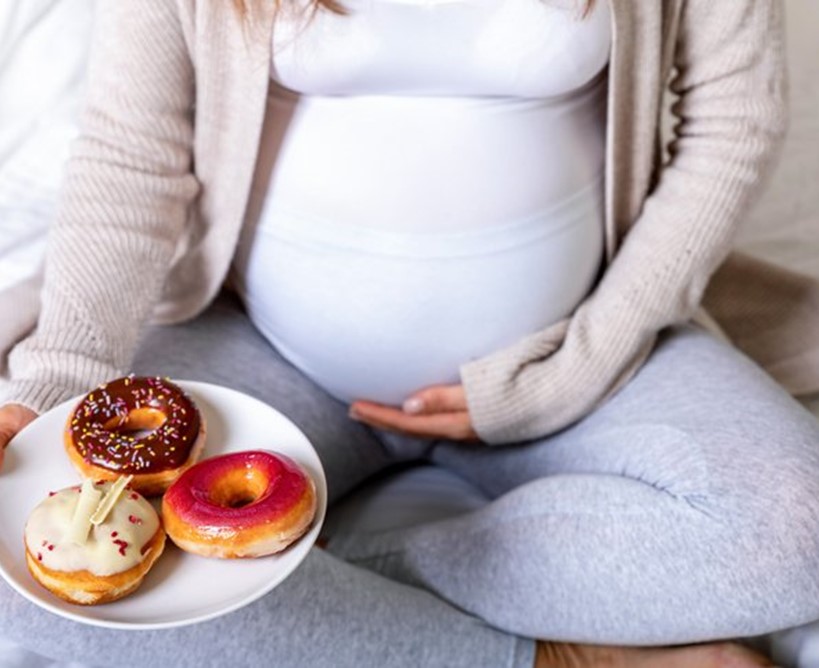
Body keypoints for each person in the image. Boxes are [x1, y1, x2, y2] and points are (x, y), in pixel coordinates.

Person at [0, 1, 817, 666]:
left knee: (800, 533)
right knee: (14, 579)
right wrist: (54, 386)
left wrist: (573, 370)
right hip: (271, 350)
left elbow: (733, 123)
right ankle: (548, 657)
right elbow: (130, 157)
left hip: (579, 354)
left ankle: (344, 572)